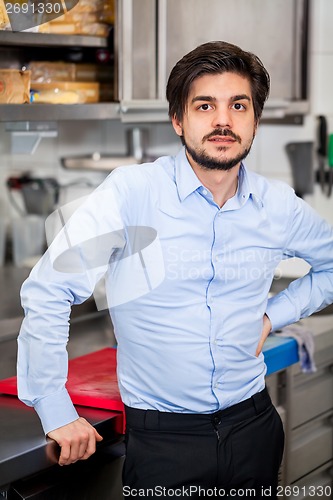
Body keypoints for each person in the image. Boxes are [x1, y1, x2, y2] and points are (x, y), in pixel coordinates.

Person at [17, 41, 333, 499]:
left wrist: (272, 316)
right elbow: (49, 289)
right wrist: (55, 408)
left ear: (254, 122)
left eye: (237, 105)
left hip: (255, 429)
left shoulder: (277, 204)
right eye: (205, 105)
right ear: (178, 119)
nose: (222, 120)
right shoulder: (131, 192)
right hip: (164, 442)